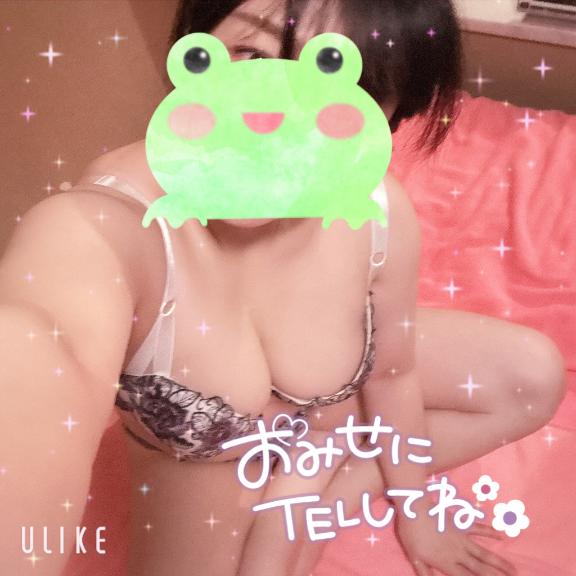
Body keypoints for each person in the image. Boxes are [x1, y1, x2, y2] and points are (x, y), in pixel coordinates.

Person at [0, 0, 566, 575]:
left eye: (341, 79)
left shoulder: (373, 209)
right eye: (252, 55)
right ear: (192, 51)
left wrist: (415, 509)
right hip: (210, 466)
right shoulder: (105, 225)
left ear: (392, 115)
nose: (273, 119)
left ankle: (336, 472)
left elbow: (393, 373)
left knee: (532, 376)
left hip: (325, 424)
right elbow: (41, 344)